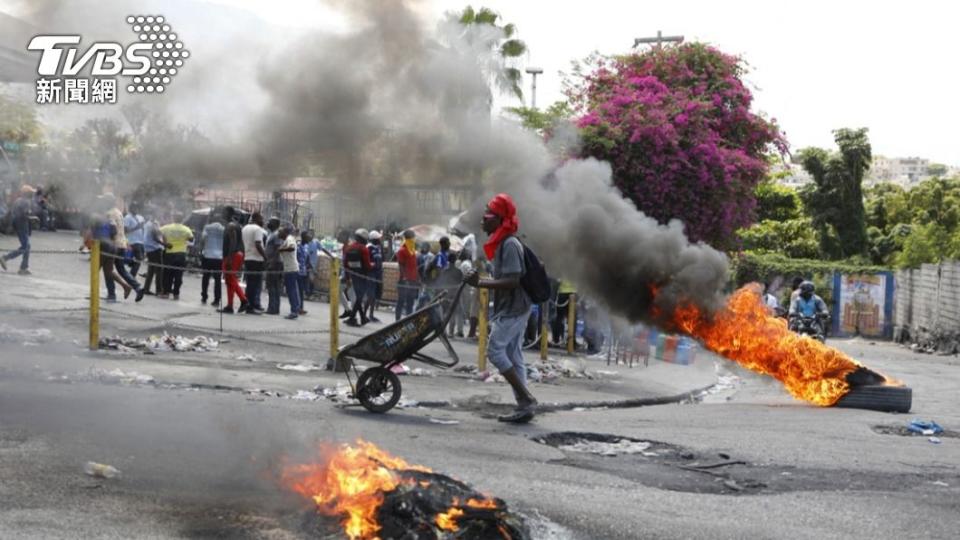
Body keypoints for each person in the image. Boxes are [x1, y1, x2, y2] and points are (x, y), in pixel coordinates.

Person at [463, 193, 537, 423]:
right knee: (514, 357)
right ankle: (524, 406)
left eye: (487, 216)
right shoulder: (503, 243)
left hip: (515, 307)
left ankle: (526, 398)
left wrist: (481, 283)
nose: (482, 221)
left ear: (499, 219)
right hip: (511, 306)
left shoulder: (510, 244)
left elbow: (513, 281)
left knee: (495, 351)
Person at [104, 194, 145, 301]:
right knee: (121, 269)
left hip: (114, 245)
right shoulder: (118, 212)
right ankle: (138, 287)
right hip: (122, 243)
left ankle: (111, 294)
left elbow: (113, 230)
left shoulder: (110, 213)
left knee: (108, 269)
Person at [219, 206, 249, 314]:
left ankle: (244, 300)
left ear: (228, 213)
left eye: (223, 212)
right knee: (229, 281)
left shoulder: (231, 225)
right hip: (236, 254)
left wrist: (230, 259)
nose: (221, 214)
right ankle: (230, 305)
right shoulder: (234, 225)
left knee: (231, 279)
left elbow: (233, 242)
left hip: (233, 255)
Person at [1, 185, 35, 275]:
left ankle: (24, 267)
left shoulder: (18, 200)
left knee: (27, 246)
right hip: (22, 225)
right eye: (31, 193)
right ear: (27, 193)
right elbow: (25, 214)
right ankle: (6, 258)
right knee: (26, 246)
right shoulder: (26, 202)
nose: (32, 194)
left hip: (18, 225)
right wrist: (32, 218)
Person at [159, 212, 193, 300]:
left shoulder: (167, 227)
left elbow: (158, 232)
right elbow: (191, 239)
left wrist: (165, 242)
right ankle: (176, 294)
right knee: (178, 274)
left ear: (173, 218)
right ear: (182, 219)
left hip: (169, 253)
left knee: (168, 274)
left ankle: (166, 293)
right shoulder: (186, 229)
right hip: (181, 254)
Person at [342, 228, 372, 327]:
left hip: (353, 276)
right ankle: (354, 318)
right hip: (363, 276)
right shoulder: (364, 249)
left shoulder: (349, 248)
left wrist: (347, 278)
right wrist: (373, 266)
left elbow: (345, 265)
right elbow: (367, 265)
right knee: (359, 298)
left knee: (359, 297)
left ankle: (361, 318)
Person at [241, 212, 267, 314]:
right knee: (254, 284)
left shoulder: (245, 228)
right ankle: (250, 307)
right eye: (262, 218)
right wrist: (265, 257)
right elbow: (258, 244)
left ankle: (247, 304)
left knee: (250, 284)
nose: (263, 221)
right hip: (256, 259)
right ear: (257, 219)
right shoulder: (258, 229)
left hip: (247, 258)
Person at [278, 226, 302, 320]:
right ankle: (295, 309)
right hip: (290, 268)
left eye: (280, 231)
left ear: (285, 232)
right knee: (292, 290)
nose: (279, 233)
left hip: (291, 269)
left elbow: (291, 248)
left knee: (291, 290)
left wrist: (281, 250)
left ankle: (294, 311)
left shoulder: (289, 239)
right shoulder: (287, 239)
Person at [200, 213, 224, 306]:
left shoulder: (207, 227)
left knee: (205, 277)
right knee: (217, 279)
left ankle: (204, 296)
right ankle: (217, 299)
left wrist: (201, 249)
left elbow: (203, 238)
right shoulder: (223, 229)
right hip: (219, 257)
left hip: (208, 255)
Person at [395, 229, 420, 321]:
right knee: (401, 301)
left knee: (410, 302)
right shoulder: (402, 250)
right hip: (405, 281)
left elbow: (414, 266)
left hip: (413, 281)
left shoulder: (412, 250)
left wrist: (417, 278)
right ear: (409, 238)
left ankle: (408, 321)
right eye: (413, 237)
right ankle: (397, 321)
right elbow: (401, 265)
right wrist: (405, 278)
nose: (414, 239)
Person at [263, 217, 283, 315]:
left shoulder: (276, 234)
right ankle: (274, 308)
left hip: (275, 263)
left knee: (273, 286)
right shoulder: (271, 233)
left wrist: (272, 262)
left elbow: (277, 249)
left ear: (275, 224)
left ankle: (273, 308)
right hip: (272, 262)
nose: (268, 223)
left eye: (270, 221)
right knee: (272, 286)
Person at [142, 212, 165, 296]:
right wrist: (165, 245)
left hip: (149, 249)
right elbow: (156, 237)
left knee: (151, 270)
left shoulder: (150, 223)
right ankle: (159, 290)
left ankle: (146, 288)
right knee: (159, 270)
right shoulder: (151, 225)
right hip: (154, 248)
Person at [365, 230, 384, 323]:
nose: (380, 239)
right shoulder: (369, 248)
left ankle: (371, 315)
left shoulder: (378, 248)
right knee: (370, 295)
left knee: (375, 295)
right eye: (378, 238)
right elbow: (366, 261)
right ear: (374, 239)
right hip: (371, 273)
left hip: (378, 273)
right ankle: (364, 314)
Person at [123, 203, 146, 279]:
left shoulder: (140, 217)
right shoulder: (127, 217)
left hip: (141, 241)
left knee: (140, 259)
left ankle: (130, 265)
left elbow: (143, 228)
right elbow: (125, 230)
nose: (136, 209)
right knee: (139, 259)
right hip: (133, 241)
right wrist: (136, 227)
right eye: (134, 208)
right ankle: (131, 277)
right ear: (131, 208)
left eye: (137, 208)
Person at [552, 279, 576, 345]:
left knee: (559, 318)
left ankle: (556, 339)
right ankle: (571, 341)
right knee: (572, 318)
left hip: (562, 291)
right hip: (573, 292)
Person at [296, 231, 310, 315]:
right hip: (298, 271)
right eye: (308, 236)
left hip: (304, 271)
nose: (309, 238)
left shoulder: (306, 246)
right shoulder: (298, 246)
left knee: (301, 291)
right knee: (298, 290)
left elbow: (306, 258)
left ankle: (300, 307)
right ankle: (298, 307)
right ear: (304, 237)